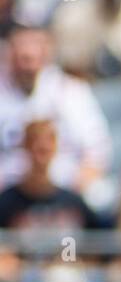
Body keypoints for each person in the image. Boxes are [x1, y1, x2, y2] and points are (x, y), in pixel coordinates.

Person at [0, 23, 112, 192]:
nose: (29, 64)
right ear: (9, 52)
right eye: (22, 52)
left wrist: (72, 197)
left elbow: (97, 153)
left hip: (66, 189)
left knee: (101, 194)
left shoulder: (72, 92)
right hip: (8, 193)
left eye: (35, 49)